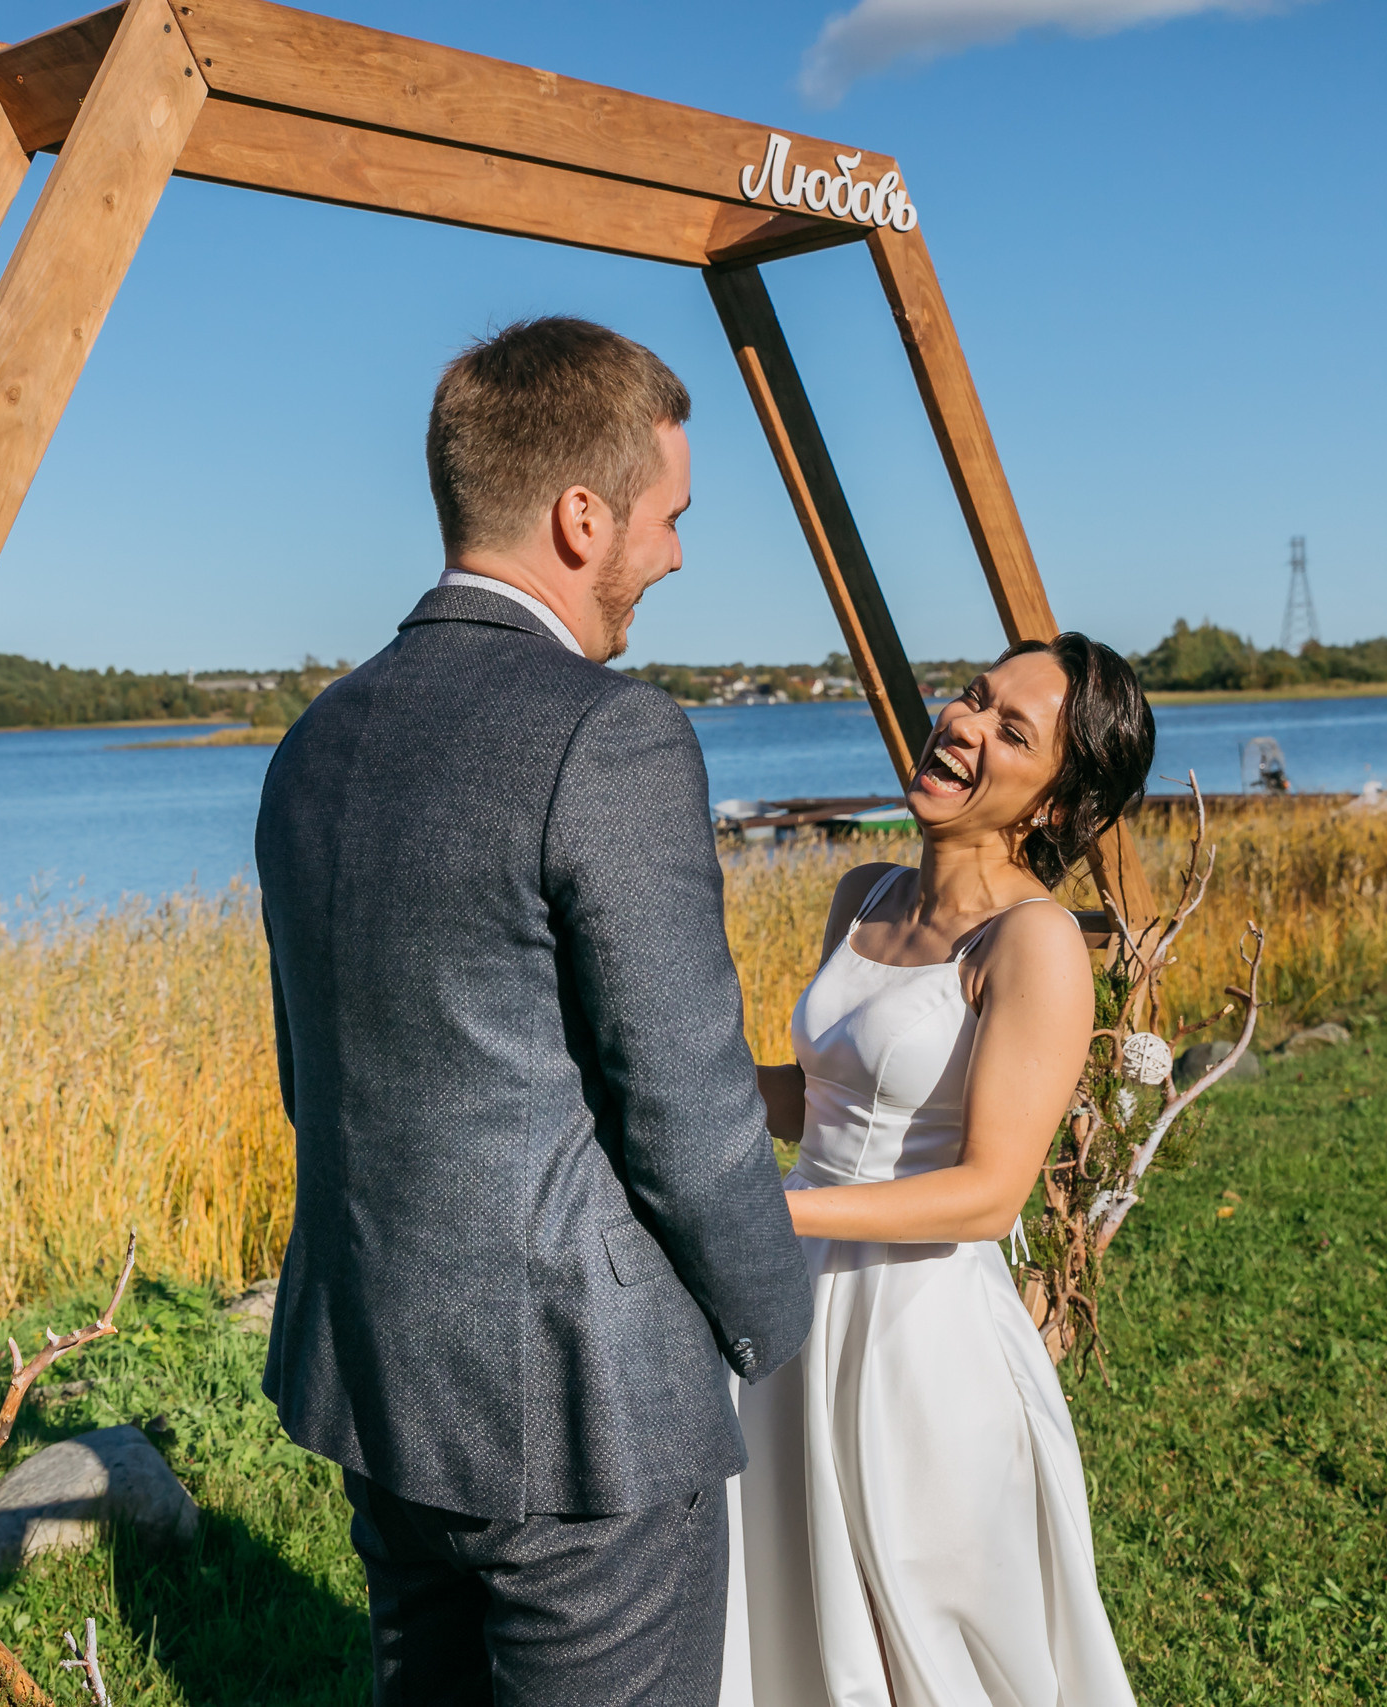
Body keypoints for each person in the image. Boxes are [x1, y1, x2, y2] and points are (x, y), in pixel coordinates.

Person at [255, 317, 813, 1705]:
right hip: (584, 1410)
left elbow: (309, 1075)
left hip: (381, 1376)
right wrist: (781, 1327)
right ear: (582, 515)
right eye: (669, 515)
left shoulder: (314, 739)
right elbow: (687, 1108)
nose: (675, 552)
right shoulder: (609, 732)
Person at [723, 635, 1154, 1707]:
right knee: (791, 1618)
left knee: (931, 1642)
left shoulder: (1034, 943)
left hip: (916, 1340)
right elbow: (816, 1100)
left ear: (1055, 804)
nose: (963, 724)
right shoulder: (863, 894)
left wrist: (771, 1218)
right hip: (793, 1316)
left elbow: (990, 1192)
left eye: (1011, 730)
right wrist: (674, 1084)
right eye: (972, 698)